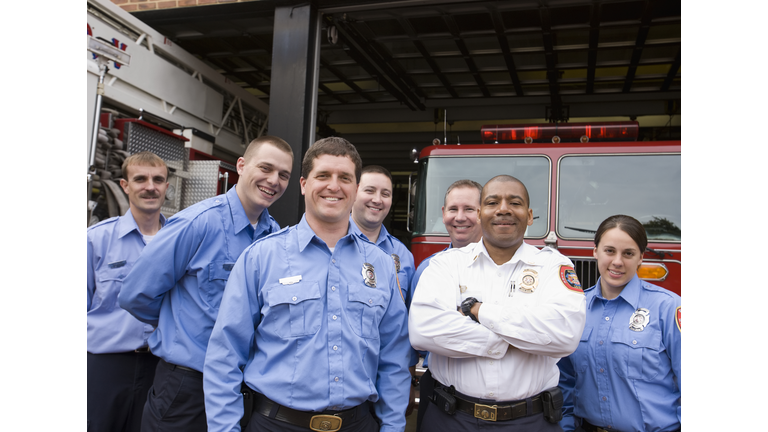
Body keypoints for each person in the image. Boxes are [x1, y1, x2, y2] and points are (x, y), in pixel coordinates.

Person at [203, 137, 412, 432]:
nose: (333, 186)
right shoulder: (261, 258)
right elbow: (225, 355)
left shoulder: (381, 266)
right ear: (303, 184)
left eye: (345, 178)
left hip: (359, 424)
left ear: (354, 189)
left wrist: (392, 427)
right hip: (276, 424)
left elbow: (394, 359)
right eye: (323, 176)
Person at [118, 136, 294, 431]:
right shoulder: (198, 223)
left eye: (283, 175)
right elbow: (136, 293)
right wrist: (178, 329)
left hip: (239, 386)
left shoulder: (273, 235)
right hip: (186, 386)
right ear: (241, 165)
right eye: (265, 168)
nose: (273, 180)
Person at [409, 174, 587, 432]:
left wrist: (479, 311)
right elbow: (423, 331)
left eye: (514, 203)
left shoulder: (554, 266)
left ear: (529, 215)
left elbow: (564, 336)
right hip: (451, 419)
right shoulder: (445, 264)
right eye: (493, 203)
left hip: (530, 422)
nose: (503, 209)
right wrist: (519, 338)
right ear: (480, 214)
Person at [557, 215, 681, 432]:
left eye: (628, 253)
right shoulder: (576, 309)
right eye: (609, 251)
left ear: (641, 257)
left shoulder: (668, 308)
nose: (617, 262)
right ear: (595, 251)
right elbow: (564, 380)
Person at [87, 151, 168, 432]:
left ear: (167, 187)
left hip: (158, 367)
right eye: (140, 179)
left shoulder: (178, 242)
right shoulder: (96, 240)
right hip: (105, 367)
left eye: (158, 179)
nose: (150, 186)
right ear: (125, 185)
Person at [409, 179, 483, 431]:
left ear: (484, 212)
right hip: (439, 390)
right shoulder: (427, 269)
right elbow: (417, 334)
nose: (459, 217)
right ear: (443, 214)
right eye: (453, 209)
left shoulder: (504, 269)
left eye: (469, 209)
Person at [349, 164, 419, 416]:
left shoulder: (403, 255)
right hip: (348, 374)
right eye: (370, 190)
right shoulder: (330, 242)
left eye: (385, 194)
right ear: (354, 192)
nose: (377, 200)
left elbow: (405, 324)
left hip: (389, 374)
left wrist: (409, 380)